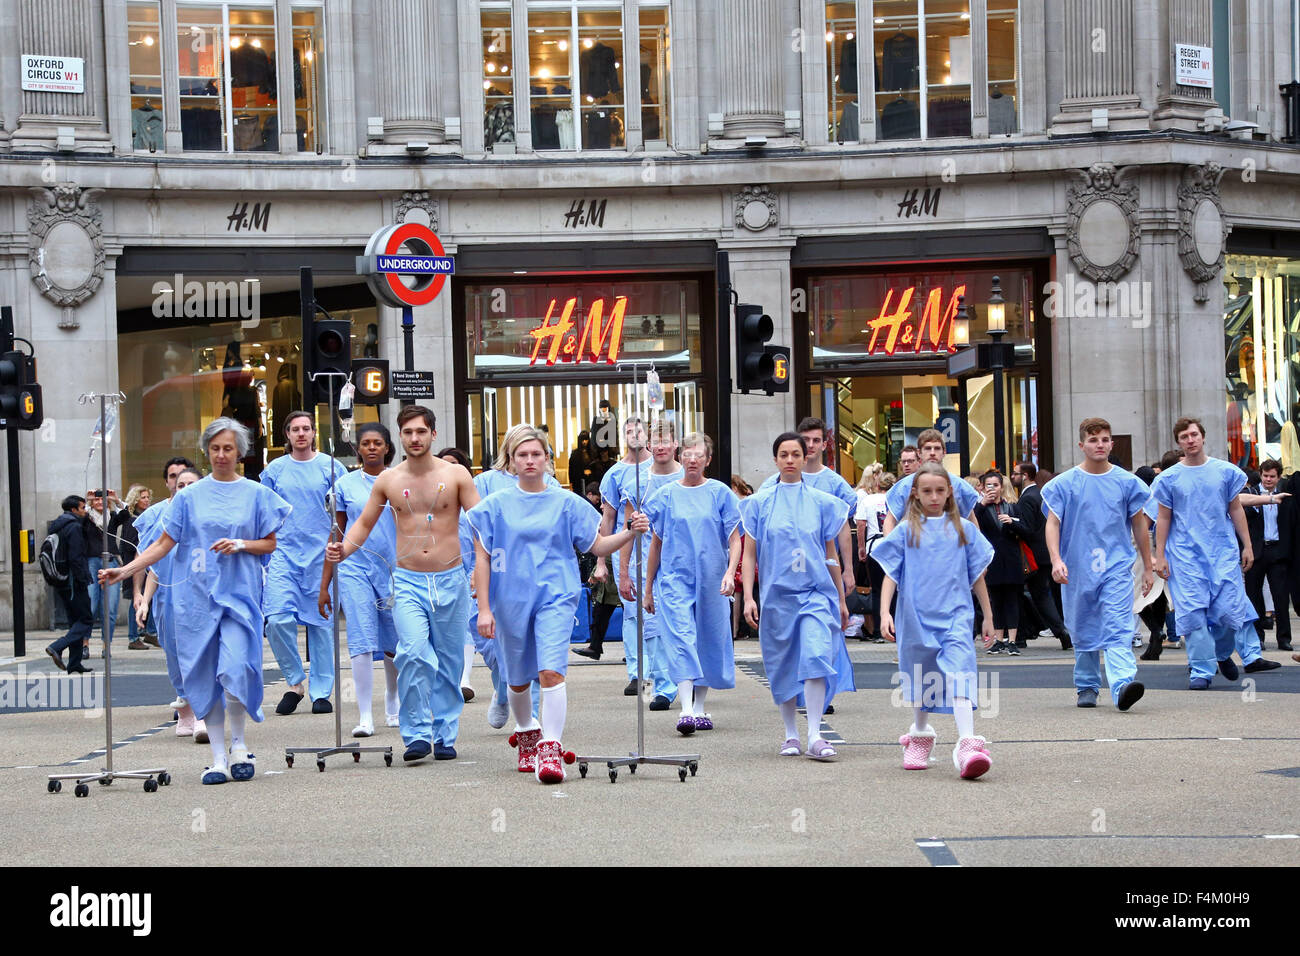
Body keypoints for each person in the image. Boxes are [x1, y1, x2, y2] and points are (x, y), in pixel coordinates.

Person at [101, 418, 291, 784]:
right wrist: (125, 572)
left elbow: (269, 542)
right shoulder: (188, 497)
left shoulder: (255, 493)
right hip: (196, 600)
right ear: (207, 451)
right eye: (216, 448)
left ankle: (239, 745)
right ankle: (218, 758)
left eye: (229, 449)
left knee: (236, 668)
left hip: (239, 596)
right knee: (206, 677)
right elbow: (162, 544)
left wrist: (241, 545)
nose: (222, 455)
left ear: (240, 452)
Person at [468, 426, 649, 783]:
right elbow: (483, 560)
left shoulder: (567, 503)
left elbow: (596, 546)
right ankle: (527, 732)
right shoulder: (493, 507)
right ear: (511, 460)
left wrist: (630, 532)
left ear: (548, 459)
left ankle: (550, 748)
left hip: (556, 596)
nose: (530, 460)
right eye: (523, 455)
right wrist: (485, 608)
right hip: (510, 599)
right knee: (517, 679)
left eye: (537, 454)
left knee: (551, 670)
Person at [326, 405, 479, 762]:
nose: (414, 438)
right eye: (407, 432)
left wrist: (484, 570)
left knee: (449, 660)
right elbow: (362, 524)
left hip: (450, 579)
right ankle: (416, 735)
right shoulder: (389, 480)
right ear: (401, 436)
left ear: (432, 434)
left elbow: (482, 521)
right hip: (408, 580)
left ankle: (444, 733)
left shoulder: (456, 475)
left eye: (420, 432)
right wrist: (342, 551)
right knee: (412, 653)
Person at [874, 462, 996, 779]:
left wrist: (988, 615)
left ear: (949, 492)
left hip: (955, 614)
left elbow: (977, 576)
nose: (933, 496)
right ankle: (920, 733)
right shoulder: (905, 530)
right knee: (921, 677)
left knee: (960, 672)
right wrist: (885, 611)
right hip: (915, 616)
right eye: (926, 491)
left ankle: (967, 742)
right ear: (915, 493)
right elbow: (891, 573)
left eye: (940, 490)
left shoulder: (964, 530)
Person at [741, 432, 851, 761]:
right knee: (782, 664)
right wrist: (748, 596)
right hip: (778, 596)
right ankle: (791, 733)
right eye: (783, 454)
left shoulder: (822, 503)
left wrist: (842, 599)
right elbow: (749, 555)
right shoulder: (759, 503)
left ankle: (816, 734)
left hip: (816, 592)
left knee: (816, 656)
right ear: (775, 460)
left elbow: (829, 552)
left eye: (796, 454)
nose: (790, 460)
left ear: (806, 458)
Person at [1152, 416, 1283, 690]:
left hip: (1221, 551)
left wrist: (1247, 545)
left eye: (1193, 435)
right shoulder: (1169, 478)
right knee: (1193, 615)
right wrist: (1159, 555)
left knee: (1228, 613)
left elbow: (1235, 509)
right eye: (1184, 437)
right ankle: (1201, 669)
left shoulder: (1225, 472)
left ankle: (1223, 653)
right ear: (1179, 442)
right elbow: (1163, 518)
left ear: (1202, 436)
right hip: (1185, 555)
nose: (1190, 440)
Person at [1042, 418, 1153, 711]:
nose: (1099, 445)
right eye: (1093, 440)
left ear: (1111, 443)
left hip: (1116, 566)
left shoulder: (1127, 483)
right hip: (1077, 567)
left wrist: (1148, 565)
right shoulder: (1064, 484)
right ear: (1082, 445)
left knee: (1118, 625)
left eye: (1104, 439)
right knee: (1083, 625)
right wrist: (1056, 559)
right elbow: (1052, 523)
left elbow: (1139, 525)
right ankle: (1087, 685)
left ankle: (1122, 685)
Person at [757, 417, 858, 711]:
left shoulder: (834, 485)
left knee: (822, 641)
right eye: (806, 440)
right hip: (784, 580)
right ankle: (797, 697)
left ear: (823, 445)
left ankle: (821, 695)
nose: (810, 446)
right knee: (789, 646)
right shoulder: (770, 488)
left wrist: (847, 571)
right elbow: (758, 538)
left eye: (815, 441)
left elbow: (842, 531)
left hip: (820, 576)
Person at [644, 432, 742, 734]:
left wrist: (729, 573)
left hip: (713, 578)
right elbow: (656, 543)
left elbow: (735, 538)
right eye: (687, 454)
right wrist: (647, 587)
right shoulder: (665, 495)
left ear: (708, 460)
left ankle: (699, 708)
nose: (692, 459)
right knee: (682, 638)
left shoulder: (720, 493)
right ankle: (685, 709)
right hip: (675, 578)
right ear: (680, 457)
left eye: (698, 455)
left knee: (709, 639)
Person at [260, 411, 346, 716]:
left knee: (321, 624)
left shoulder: (331, 467)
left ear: (313, 434)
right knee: (278, 618)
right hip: (284, 552)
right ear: (286, 434)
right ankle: (295, 682)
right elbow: (263, 510)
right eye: (295, 429)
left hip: (322, 553)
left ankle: (321, 692)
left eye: (306, 428)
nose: (301, 434)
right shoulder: (275, 470)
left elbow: (345, 509)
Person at [319, 424, 402, 738]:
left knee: (396, 640)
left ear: (386, 447)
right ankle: (365, 715)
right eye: (365, 443)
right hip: (355, 568)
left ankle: (392, 700)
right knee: (361, 639)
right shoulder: (345, 485)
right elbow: (336, 533)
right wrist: (325, 584)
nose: (371, 448)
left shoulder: (399, 480)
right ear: (357, 449)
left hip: (395, 568)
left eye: (377, 443)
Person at [613, 420, 683, 711]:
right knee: (650, 630)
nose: (662, 445)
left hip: (683, 565)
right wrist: (624, 571)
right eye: (656, 440)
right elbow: (628, 530)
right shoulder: (636, 483)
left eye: (667, 439)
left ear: (676, 443)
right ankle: (658, 689)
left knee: (680, 628)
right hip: (647, 567)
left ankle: (688, 687)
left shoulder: (690, 477)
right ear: (649, 445)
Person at [132, 458, 201, 734]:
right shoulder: (156, 516)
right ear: (167, 481)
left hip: (200, 596)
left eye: (186, 481)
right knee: (173, 652)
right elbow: (151, 564)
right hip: (168, 598)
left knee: (199, 652)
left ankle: (202, 710)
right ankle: (185, 706)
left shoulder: (207, 513)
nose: (179, 485)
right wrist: (141, 598)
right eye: (174, 479)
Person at [588, 417, 652, 694]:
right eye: (628, 431)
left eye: (638, 430)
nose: (633, 434)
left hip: (658, 548)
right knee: (631, 612)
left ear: (646, 433)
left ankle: (663, 673)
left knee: (659, 613)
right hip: (626, 550)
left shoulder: (659, 468)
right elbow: (608, 517)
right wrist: (601, 561)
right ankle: (637, 673)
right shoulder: (614, 474)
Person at [1012, 461, 1072, 650]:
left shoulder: (1028, 498)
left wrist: (1012, 523)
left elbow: (1029, 529)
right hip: (1046, 552)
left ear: (1026, 476)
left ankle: (1061, 631)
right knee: (1047, 594)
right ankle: (1061, 630)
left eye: (1015, 474)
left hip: (1036, 555)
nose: (1012, 477)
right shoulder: (1039, 494)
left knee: (1041, 595)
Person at [1239, 459, 1295, 652]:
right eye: (1265, 476)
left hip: (1277, 550)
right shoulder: (1251, 493)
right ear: (1260, 475)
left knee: (1280, 596)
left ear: (1278, 477)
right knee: (1254, 597)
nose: (1268, 480)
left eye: (1272, 476)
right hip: (1256, 550)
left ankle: (1284, 638)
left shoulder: (1286, 495)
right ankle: (1257, 638)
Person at [883, 429, 980, 534]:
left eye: (937, 448)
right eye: (928, 448)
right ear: (919, 453)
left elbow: (972, 521)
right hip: (915, 545)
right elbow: (889, 521)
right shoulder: (904, 486)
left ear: (944, 452)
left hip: (949, 546)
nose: (932, 453)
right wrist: (890, 548)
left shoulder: (960, 485)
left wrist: (976, 548)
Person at [976, 471, 1027, 655]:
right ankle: (998, 639)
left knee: (1012, 599)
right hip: (992, 560)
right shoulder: (980, 508)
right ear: (982, 488)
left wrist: (1012, 523)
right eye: (988, 485)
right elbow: (972, 525)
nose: (992, 489)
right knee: (996, 600)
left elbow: (1026, 531)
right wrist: (982, 504)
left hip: (1012, 559)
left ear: (1001, 486)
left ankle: (1012, 640)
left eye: (995, 485)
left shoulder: (1012, 507)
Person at [44, 496, 95, 674]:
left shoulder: (59, 526)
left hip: (62, 581)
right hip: (74, 582)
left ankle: (74, 663)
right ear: (73, 510)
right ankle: (57, 646)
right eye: (82, 508)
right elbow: (76, 557)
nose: (85, 510)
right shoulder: (73, 527)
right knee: (86, 619)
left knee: (75, 621)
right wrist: (83, 579)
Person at [84, 488, 129, 655]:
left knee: (109, 608)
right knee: (90, 605)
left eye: (102, 499)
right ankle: (85, 644)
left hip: (110, 562)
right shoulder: (86, 518)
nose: (99, 502)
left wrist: (117, 499)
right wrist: (86, 501)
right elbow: (78, 518)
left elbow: (126, 515)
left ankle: (106, 646)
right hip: (91, 563)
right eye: (95, 500)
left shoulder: (112, 517)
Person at [118, 485, 153, 649]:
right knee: (136, 599)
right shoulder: (132, 520)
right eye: (142, 497)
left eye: (147, 497)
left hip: (146, 564)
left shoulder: (147, 516)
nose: (146, 500)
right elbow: (132, 546)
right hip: (135, 565)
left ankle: (148, 631)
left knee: (148, 598)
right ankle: (133, 637)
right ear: (135, 500)